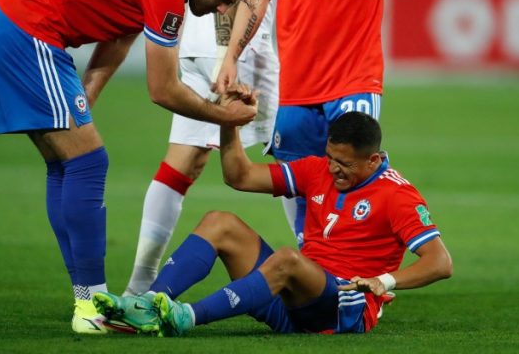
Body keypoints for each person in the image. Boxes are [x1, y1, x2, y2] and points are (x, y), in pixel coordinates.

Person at [0, 0, 260, 334]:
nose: (223, 9)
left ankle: (85, 299)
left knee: (67, 166)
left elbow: (123, 23)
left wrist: (88, 89)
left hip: (16, 24)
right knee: (88, 163)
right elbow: (163, 90)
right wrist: (223, 116)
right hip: (29, 32)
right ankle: (90, 306)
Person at [214, 0, 423, 246]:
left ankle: (367, 267)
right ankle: (314, 263)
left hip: (354, 78)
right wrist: (230, 56)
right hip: (297, 84)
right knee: (300, 182)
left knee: (358, 172)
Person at [94, 110, 452, 336]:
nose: (333, 169)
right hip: (293, 298)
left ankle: (184, 318)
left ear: (373, 160)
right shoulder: (317, 169)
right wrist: (227, 122)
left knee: (286, 259)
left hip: (341, 307)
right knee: (220, 222)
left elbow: (440, 263)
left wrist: (383, 281)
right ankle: (147, 305)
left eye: (344, 163)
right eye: (330, 157)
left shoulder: (398, 196)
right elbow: (240, 176)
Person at [124, 0, 296, 296]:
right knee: (296, 153)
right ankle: (320, 276)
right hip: (231, 43)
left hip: (204, 39)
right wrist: (230, 55)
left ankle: (137, 289)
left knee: (182, 164)